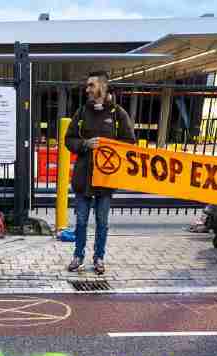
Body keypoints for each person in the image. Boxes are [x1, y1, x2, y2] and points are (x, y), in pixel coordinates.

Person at [64, 70, 134, 275]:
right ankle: (78, 256)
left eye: (91, 85)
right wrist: (85, 144)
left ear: (103, 87)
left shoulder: (118, 114)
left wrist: (108, 146)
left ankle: (99, 257)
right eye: (87, 86)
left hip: (106, 179)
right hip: (83, 178)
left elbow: (130, 143)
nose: (87, 89)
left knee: (102, 222)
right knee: (81, 221)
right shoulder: (81, 112)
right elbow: (69, 140)